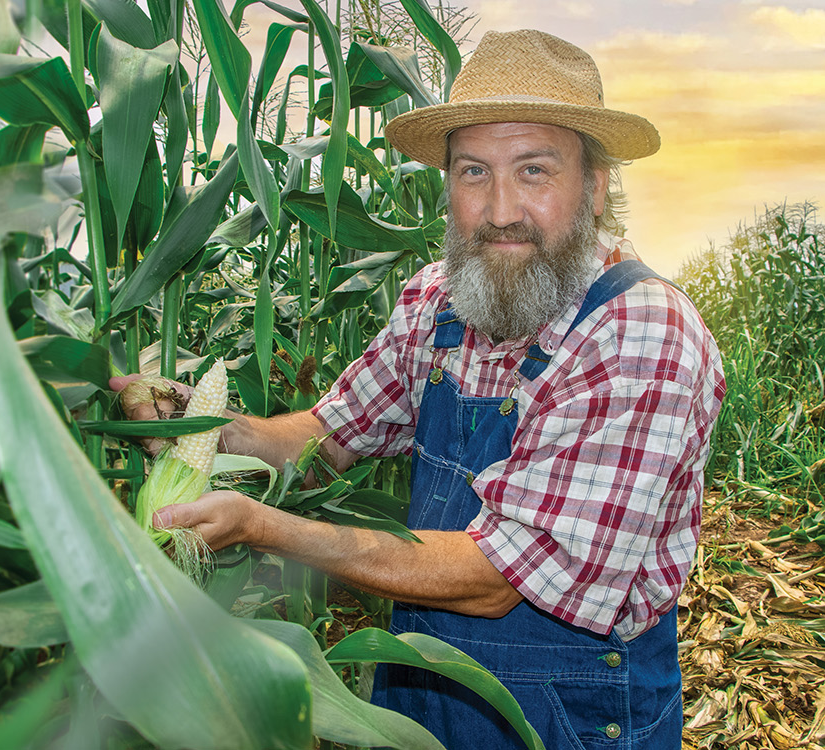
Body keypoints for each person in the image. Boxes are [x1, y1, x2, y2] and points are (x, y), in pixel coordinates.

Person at [110, 29, 725, 750]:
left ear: (592, 186)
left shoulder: (640, 333)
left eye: (533, 171)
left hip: (566, 717)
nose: (499, 209)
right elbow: (327, 434)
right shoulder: (437, 299)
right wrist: (204, 429)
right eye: (473, 172)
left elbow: (498, 578)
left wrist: (262, 525)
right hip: (418, 688)